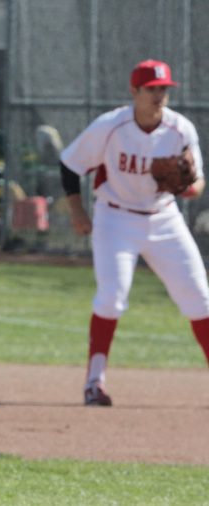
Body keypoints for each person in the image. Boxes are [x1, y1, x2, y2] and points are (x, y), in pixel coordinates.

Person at [59, 59, 209, 406]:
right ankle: (94, 383)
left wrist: (186, 186)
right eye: (152, 89)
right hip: (116, 219)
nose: (159, 96)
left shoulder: (180, 129)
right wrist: (78, 211)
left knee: (200, 299)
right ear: (135, 92)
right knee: (111, 297)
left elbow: (198, 183)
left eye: (164, 90)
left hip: (164, 218)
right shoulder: (111, 126)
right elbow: (70, 164)